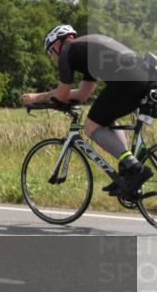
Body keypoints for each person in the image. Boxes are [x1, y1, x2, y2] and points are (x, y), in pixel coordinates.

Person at [22, 25, 155, 197]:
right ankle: (126, 174)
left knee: (91, 126)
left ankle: (135, 168)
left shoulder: (67, 52)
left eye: (50, 53)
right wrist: (54, 98)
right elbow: (83, 93)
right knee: (106, 120)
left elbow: (62, 94)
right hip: (144, 77)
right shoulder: (86, 49)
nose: (53, 58)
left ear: (56, 45)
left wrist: (38, 97)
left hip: (127, 82)